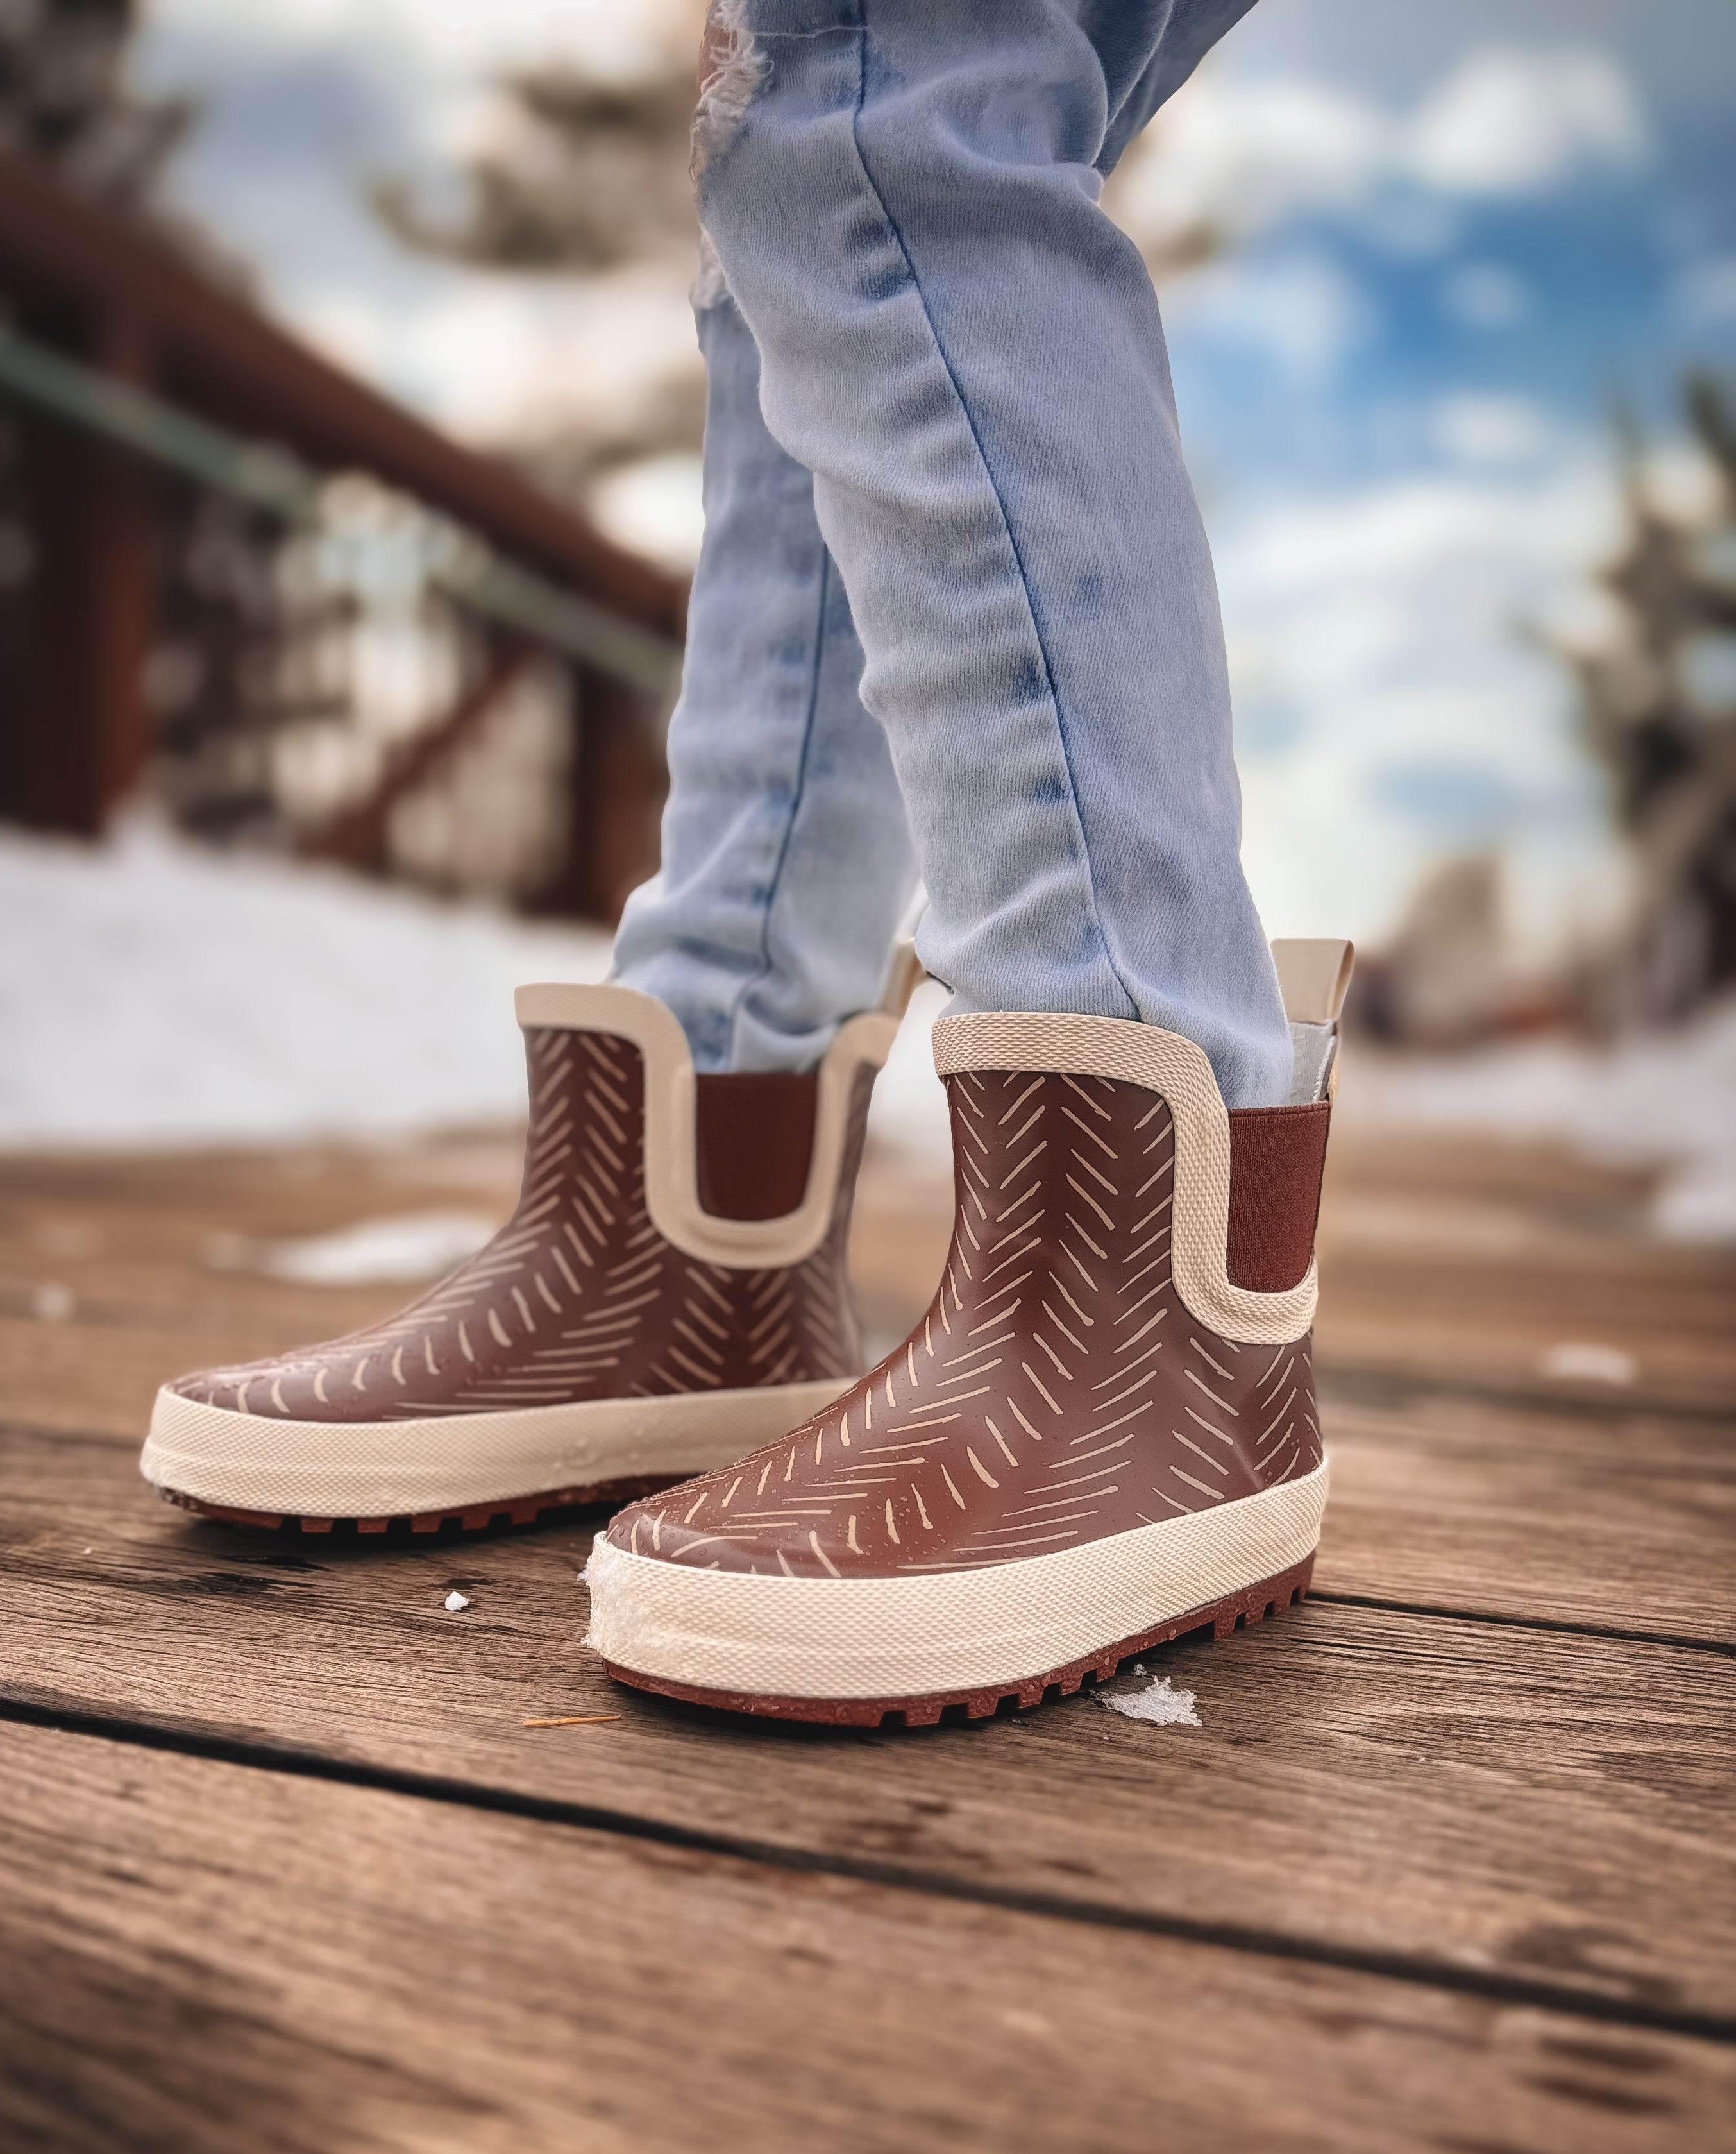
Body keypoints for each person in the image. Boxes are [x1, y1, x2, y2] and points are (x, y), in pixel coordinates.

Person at [140, 0, 1353, 1727]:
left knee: (877, 106)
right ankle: (693, 1240)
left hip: (1137, 1346)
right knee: (794, 217)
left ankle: (1149, 1332)